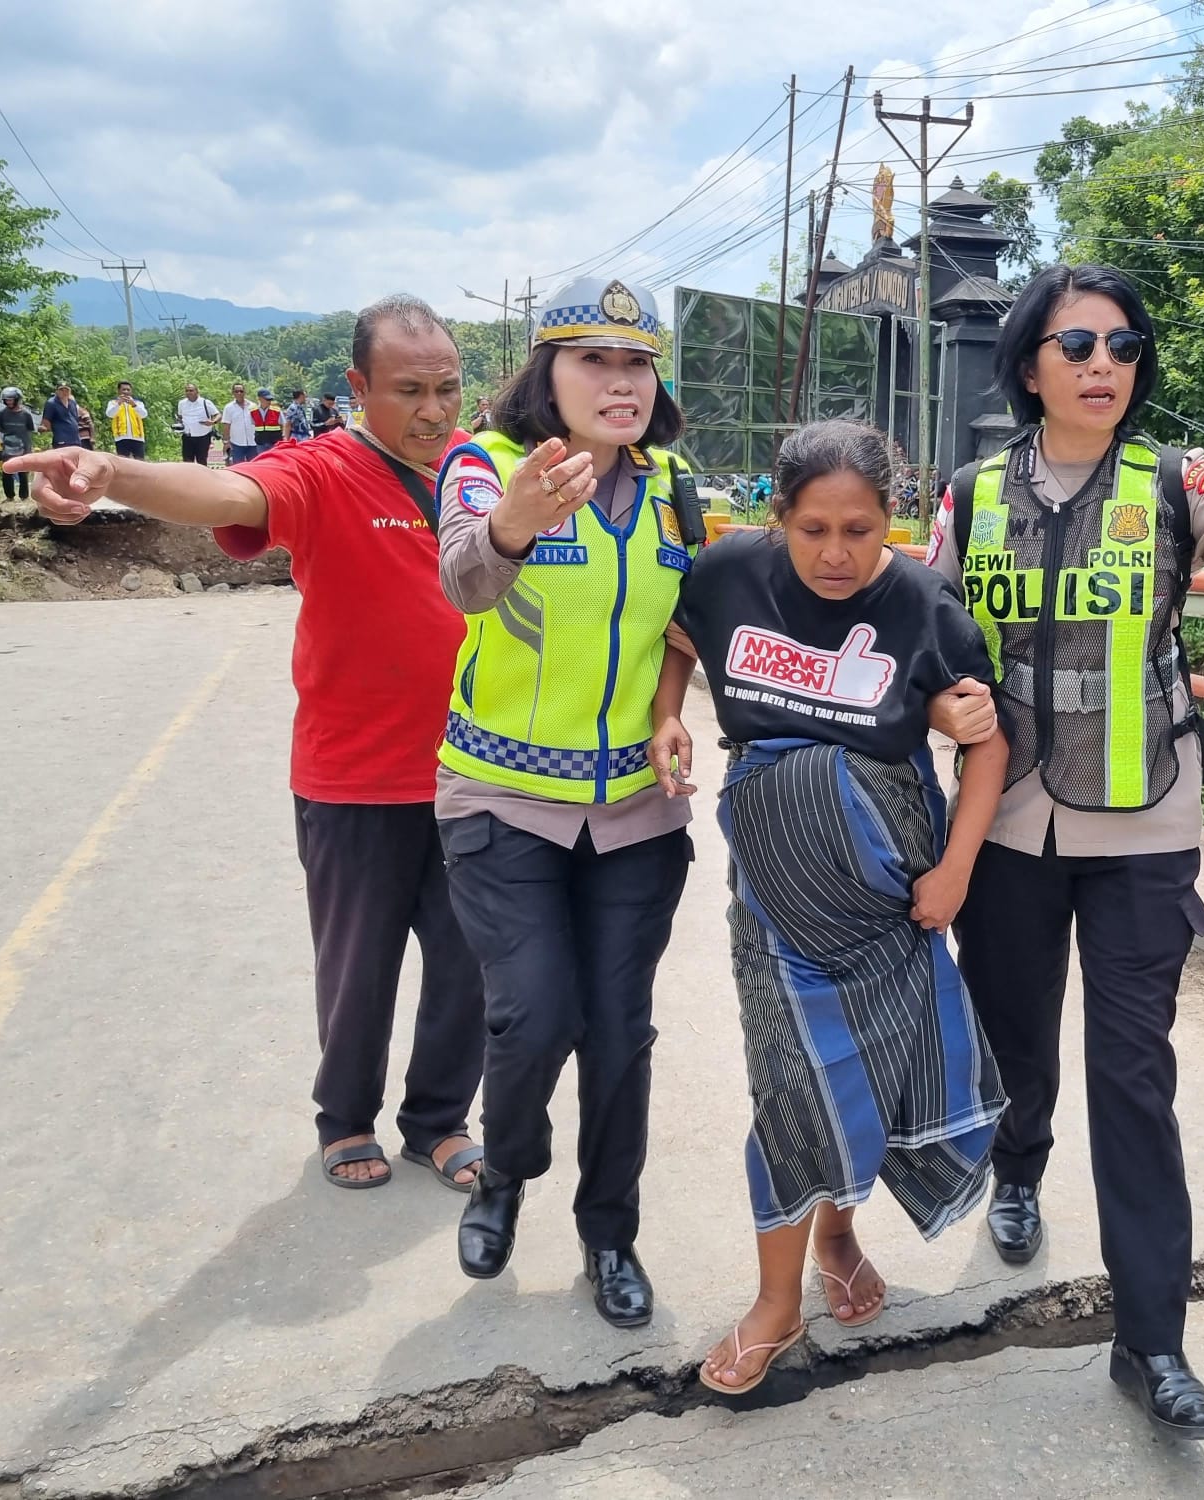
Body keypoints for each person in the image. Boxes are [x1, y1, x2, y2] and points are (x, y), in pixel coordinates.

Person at [927, 262, 1204, 1442]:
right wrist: (936, 711)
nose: (1102, 366)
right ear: (1028, 365)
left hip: (1145, 828)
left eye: (1121, 346)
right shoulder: (969, 494)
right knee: (1012, 1033)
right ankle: (1017, 1166)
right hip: (1008, 822)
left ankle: (1153, 1340)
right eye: (1076, 346)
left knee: (1134, 1076)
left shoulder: (1173, 481)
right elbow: (926, 637)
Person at [6, 294, 489, 1195]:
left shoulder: (475, 472)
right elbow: (230, 492)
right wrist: (110, 471)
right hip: (354, 777)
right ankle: (346, 1119)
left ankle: (437, 1121)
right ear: (358, 388)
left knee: (469, 964)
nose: (433, 410)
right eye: (409, 390)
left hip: (473, 774)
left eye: (448, 388)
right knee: (359, 967)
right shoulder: (321, 469)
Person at [654, 420, 1010, 1396]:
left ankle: (840, 1234)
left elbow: (988, 743)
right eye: (812, 529)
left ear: (889, 520)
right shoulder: (727, 575)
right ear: (777, 519)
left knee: (871, 1079)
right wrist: (662, 720)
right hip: (772, 901)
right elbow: (677, 645)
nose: (837, 553)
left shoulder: (922, 601)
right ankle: (775, 1303)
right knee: (790, 1085)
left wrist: (957, 873)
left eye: (860, 528)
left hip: (891, 897)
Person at [433, 276, 700, 1328]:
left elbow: (684, 628)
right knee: (534, 1013)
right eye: (594, 360)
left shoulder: (677, 487)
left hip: (635, 811)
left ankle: (609, 1235)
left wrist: (670, 709)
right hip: (502, 801)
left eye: (637, 362)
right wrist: (511, 525)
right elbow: (461, 582)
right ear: (545, 373)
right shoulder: (488, 467)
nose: (620, 382)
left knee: (619, 1034)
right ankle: (505, 1175)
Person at [0, 387, 37, 498]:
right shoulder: (1, 413)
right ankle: (9, 496)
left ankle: (24, 496)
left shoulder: (26, 414)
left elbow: (30, 430)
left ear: (17, 399)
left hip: (23, 446)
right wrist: (2, 443)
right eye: (7, 400)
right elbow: (0, 430)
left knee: (23, 472)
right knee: (7, 471)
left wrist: (29, 448)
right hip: (8, 446)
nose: (9, 402)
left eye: (11, 400)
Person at [177, 383, 221, 465]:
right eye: (187, 391)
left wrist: (213, 422)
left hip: (203, 437)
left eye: (191, 390)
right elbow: (180, 417)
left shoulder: (205, 402)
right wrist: (179, 425)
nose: (189, 392)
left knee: (201, 461)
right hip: (187, 436)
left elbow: (218, 415)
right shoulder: (181, 403)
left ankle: (202, 477)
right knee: (187, 462)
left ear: (197, 391)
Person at [106, 381, 148, 461]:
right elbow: (110, 414)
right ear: (118, 391)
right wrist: (118, 403)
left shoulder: (138, 403)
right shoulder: (113, 403)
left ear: (131, 391)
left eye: (128, 390)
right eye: (123, 389)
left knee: (140, 462)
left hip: (138, 437)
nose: (126, 392)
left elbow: (144, 415)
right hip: (121, 437)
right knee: (123, 463)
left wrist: (134, 405)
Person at [222, 383, 258, 465]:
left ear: (245, 392)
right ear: (233, 393)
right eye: (236, 391)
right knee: (238, 466)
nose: (239, 393)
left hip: (253, 442)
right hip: (236, 443)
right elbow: (226, 426)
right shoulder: (228, 408)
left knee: (253, 465)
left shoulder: (253, 406)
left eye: (241, 391)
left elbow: (257, 423)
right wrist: (226, 442)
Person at [40, 382, 82, 448]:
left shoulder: (72, 403)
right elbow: (46, 421)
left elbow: (75, 419)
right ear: (57, 391)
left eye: (66, 390)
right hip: (61, 440)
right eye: (61, 390)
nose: (64, 392)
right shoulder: (51, 403)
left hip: (75, 440)